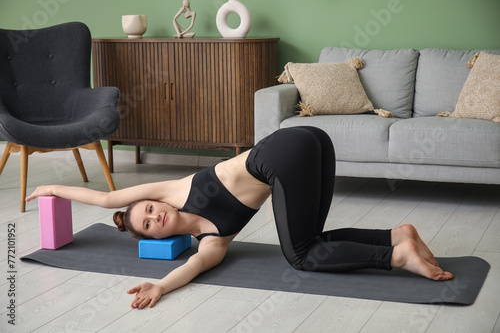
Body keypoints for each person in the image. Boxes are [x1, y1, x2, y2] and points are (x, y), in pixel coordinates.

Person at [26, 126, 453, 309]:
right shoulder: (214, 242)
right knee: (312, 240)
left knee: (300, 257)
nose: (156, 213)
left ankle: (396, 258)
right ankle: (395, 234)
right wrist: (159, 285)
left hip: (283, 150)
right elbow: (191, 269)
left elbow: (106, 199)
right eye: (150, 222)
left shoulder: (175, 189)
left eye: (151, 208)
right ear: (154, 238)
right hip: (309, 146)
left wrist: (52, 187)